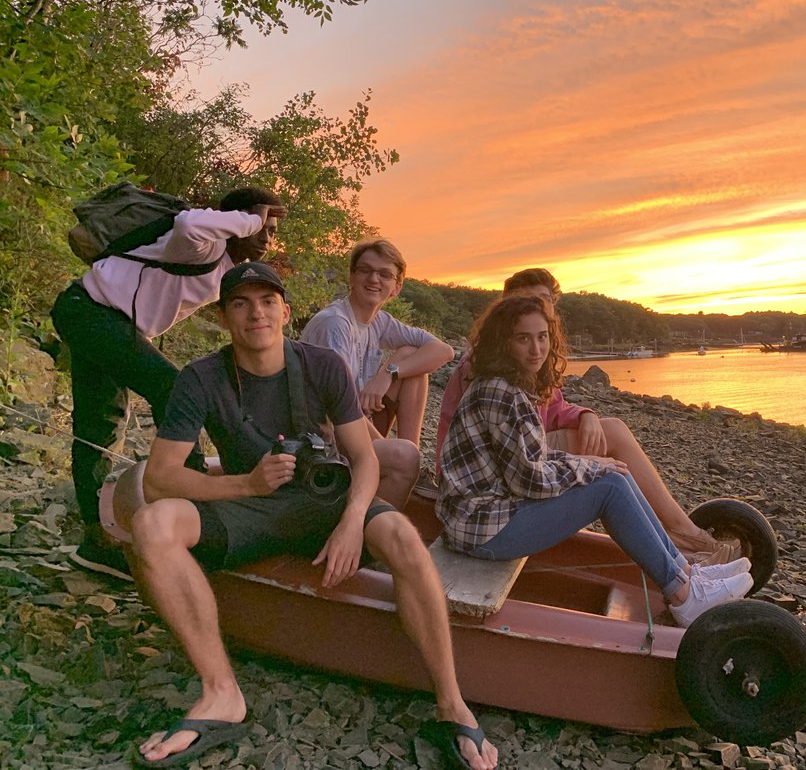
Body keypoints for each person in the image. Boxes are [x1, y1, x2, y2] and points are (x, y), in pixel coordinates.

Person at [126, 262, 497, 769]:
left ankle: (452, 703)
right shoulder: (202, 378)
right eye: (240, 303)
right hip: (249, 503)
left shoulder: (322, 365)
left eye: (266, 301)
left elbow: (365, 457)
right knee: (153, 523)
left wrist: (352, 521)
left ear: (285, 311)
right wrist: (246, 484)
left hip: (326, 501)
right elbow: (159, 478)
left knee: (403, 537)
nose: (256, 312)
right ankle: (221, 694)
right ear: (222, 318)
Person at [439, 295, 753, 628]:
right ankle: (685, 596)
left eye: (542, 337)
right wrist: (592, 466)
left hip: (487, 515)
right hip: (480, 528)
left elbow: (532, 457)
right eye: (523, 338)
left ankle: (689, 574)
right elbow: (530, 480)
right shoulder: (501, 394)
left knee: (613, 473)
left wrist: (593, 465)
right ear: (504, 343)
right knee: (610, 487)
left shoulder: (508, 386)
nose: (536, 349)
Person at [51, 185, 287, 580]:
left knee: (99, 424)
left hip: (98, 318)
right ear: (236, 223)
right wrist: (248, 217)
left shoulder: (224, 268)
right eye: (262, 224)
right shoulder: (202, 246)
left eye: (272, 229)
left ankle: (97, 541)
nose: (267, 236)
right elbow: (189, 222)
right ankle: (191, 496)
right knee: (174, 387)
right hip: (91, 313)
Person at [301, 239, 454, 507]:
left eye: (384, 274)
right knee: (403, 456)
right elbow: (338, 408)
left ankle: (409, 459)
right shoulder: (336, 323)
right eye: (365, 270)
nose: (374, 279)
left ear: (397, 287)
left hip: (352, 418)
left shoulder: (379, 321)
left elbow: (442, 351)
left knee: (409, 357)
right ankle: (371, 525)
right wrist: (392, 451)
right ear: (352, 276)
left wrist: (387, 374)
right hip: (323, 435)